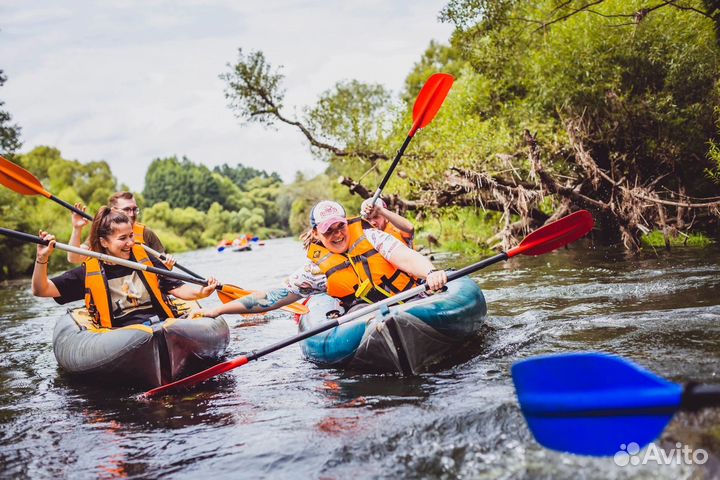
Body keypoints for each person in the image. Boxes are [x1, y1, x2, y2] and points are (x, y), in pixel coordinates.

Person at [190, 200, 447, 318]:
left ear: (347, 223)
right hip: (366, 316)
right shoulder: (315, 270)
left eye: (340, 226)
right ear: (316, 233)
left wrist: (430, 272)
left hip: (411, 300)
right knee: (357, 312)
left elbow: (405, 255)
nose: (337, 234)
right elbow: (270, 299)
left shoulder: (374, 238)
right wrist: (218, 310)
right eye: (328, 230)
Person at [32, 207, 217, 328]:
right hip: (122, 337)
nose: (130, 242)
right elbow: (41, 290)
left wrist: (202, 292)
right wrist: (42, 258)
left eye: (131, 236)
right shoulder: (90, 271)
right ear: (104, 242)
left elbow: (178, 289)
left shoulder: (147, 261)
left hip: (162, 325)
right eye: (122, 239)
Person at [66, 191, 172, 266]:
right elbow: (74, 258)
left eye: (135, 209)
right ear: (114, 210)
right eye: (127, 209)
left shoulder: (146, 233)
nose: (132, 214)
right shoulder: (104, 234)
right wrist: (77, 229)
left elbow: (163, 263)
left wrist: (167, 264)